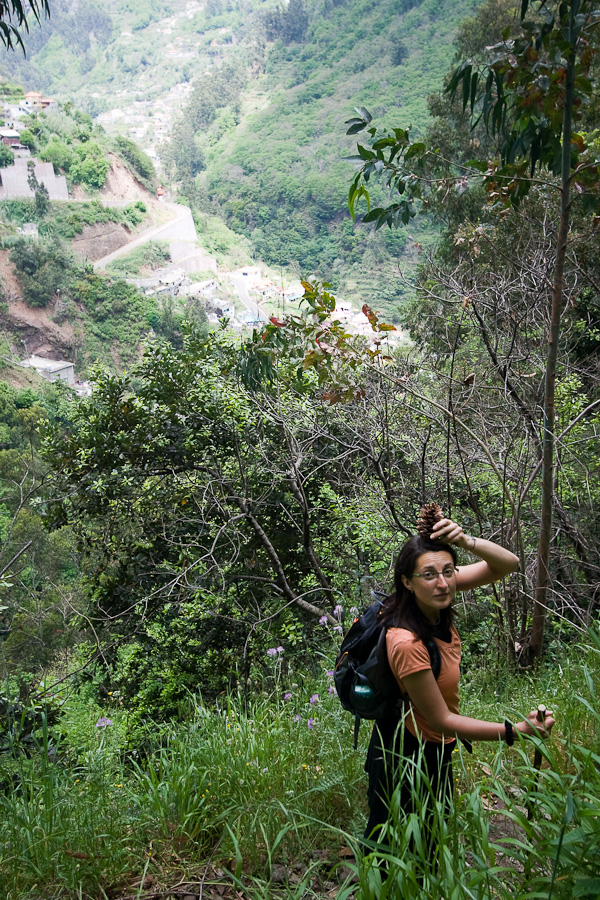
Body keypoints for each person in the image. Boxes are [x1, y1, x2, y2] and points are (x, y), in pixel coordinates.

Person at [363, 516, 555, 847]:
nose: (443, 583)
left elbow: (508, 564)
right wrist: (515, 731)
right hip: (404, 755)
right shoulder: (406, 642)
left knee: (432, 838)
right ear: (407, 582)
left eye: (449, 571)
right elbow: (443, 720)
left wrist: (465, 541)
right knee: (395, 850)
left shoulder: (436, 590)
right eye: (429, 575)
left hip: (433, 747)